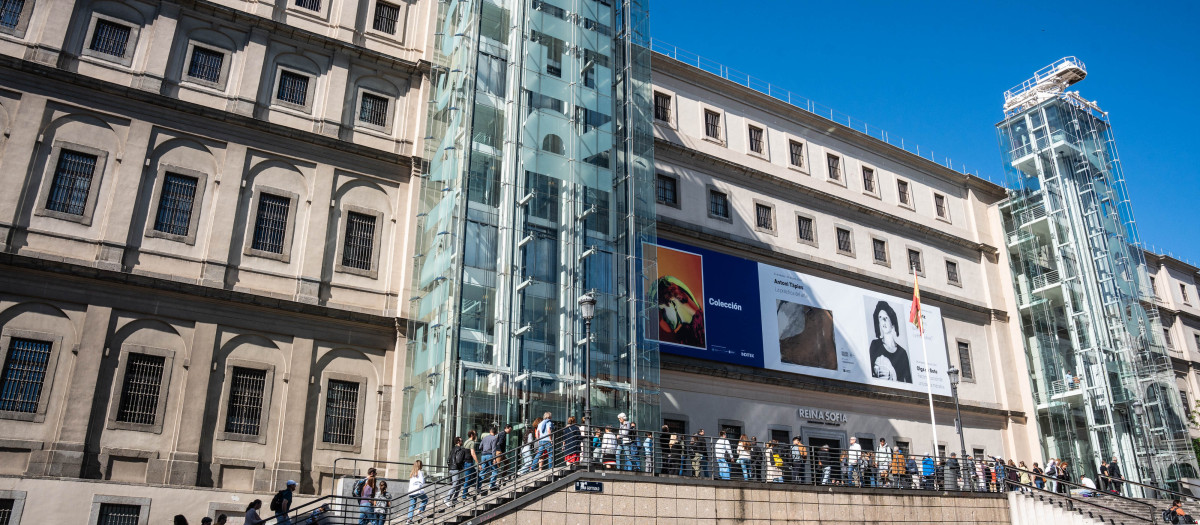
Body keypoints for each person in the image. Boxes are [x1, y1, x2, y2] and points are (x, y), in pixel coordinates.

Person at [868, 301, 913, 383]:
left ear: (892, 322)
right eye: (880, 318)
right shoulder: (875, 345)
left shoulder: (902, 353)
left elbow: (908, 381)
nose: (883, 321)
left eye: (886, 318)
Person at [479, 427, 500, 492]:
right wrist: (494, 458)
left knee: (483, 471)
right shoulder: (494, 438)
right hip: (490, 455)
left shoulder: (484, 438)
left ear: (490, 431)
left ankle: (478, 486)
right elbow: (494, 449)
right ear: (495, 432)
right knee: (495, 470)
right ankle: (492, 485)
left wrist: (484, 450)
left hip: (483, 455)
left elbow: (480, 447)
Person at [447, 439, 466, 505]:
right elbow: (458, 461)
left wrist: (450, 466)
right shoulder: (460, 449)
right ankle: (447, 499)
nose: (462, 442)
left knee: (459, 483)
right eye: (461, 441)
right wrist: (461, 467)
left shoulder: (452, 449)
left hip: (451, 468)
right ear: (458, 442)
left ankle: (454, 499)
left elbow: (448, 460)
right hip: (455, 469)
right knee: (455, 484)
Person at [461, 430, 479, 499]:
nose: (476, 435)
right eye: (475, 434)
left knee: (475, 476)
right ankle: (464, 495)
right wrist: (477, 462)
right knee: (468, 479)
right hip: (469, 463)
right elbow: (473, 453)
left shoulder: (466, 441)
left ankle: (465, 490)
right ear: (472, 435)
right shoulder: (471, 442)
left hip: (466, 463)